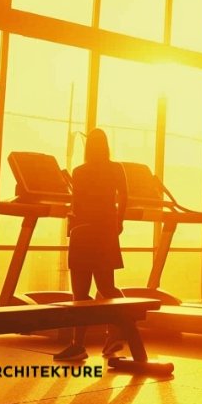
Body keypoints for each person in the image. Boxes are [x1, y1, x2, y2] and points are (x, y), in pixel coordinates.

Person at [54, 128, 129, 362]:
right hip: (106, 231)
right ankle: (117, 331)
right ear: (106, 145)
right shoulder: (116, 168)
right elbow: (124, 196)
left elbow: (76, 205)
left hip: (83, 232)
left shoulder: (79, 171)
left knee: (80, 293)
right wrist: (119, 221)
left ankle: (78, 345)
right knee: (107, 287)